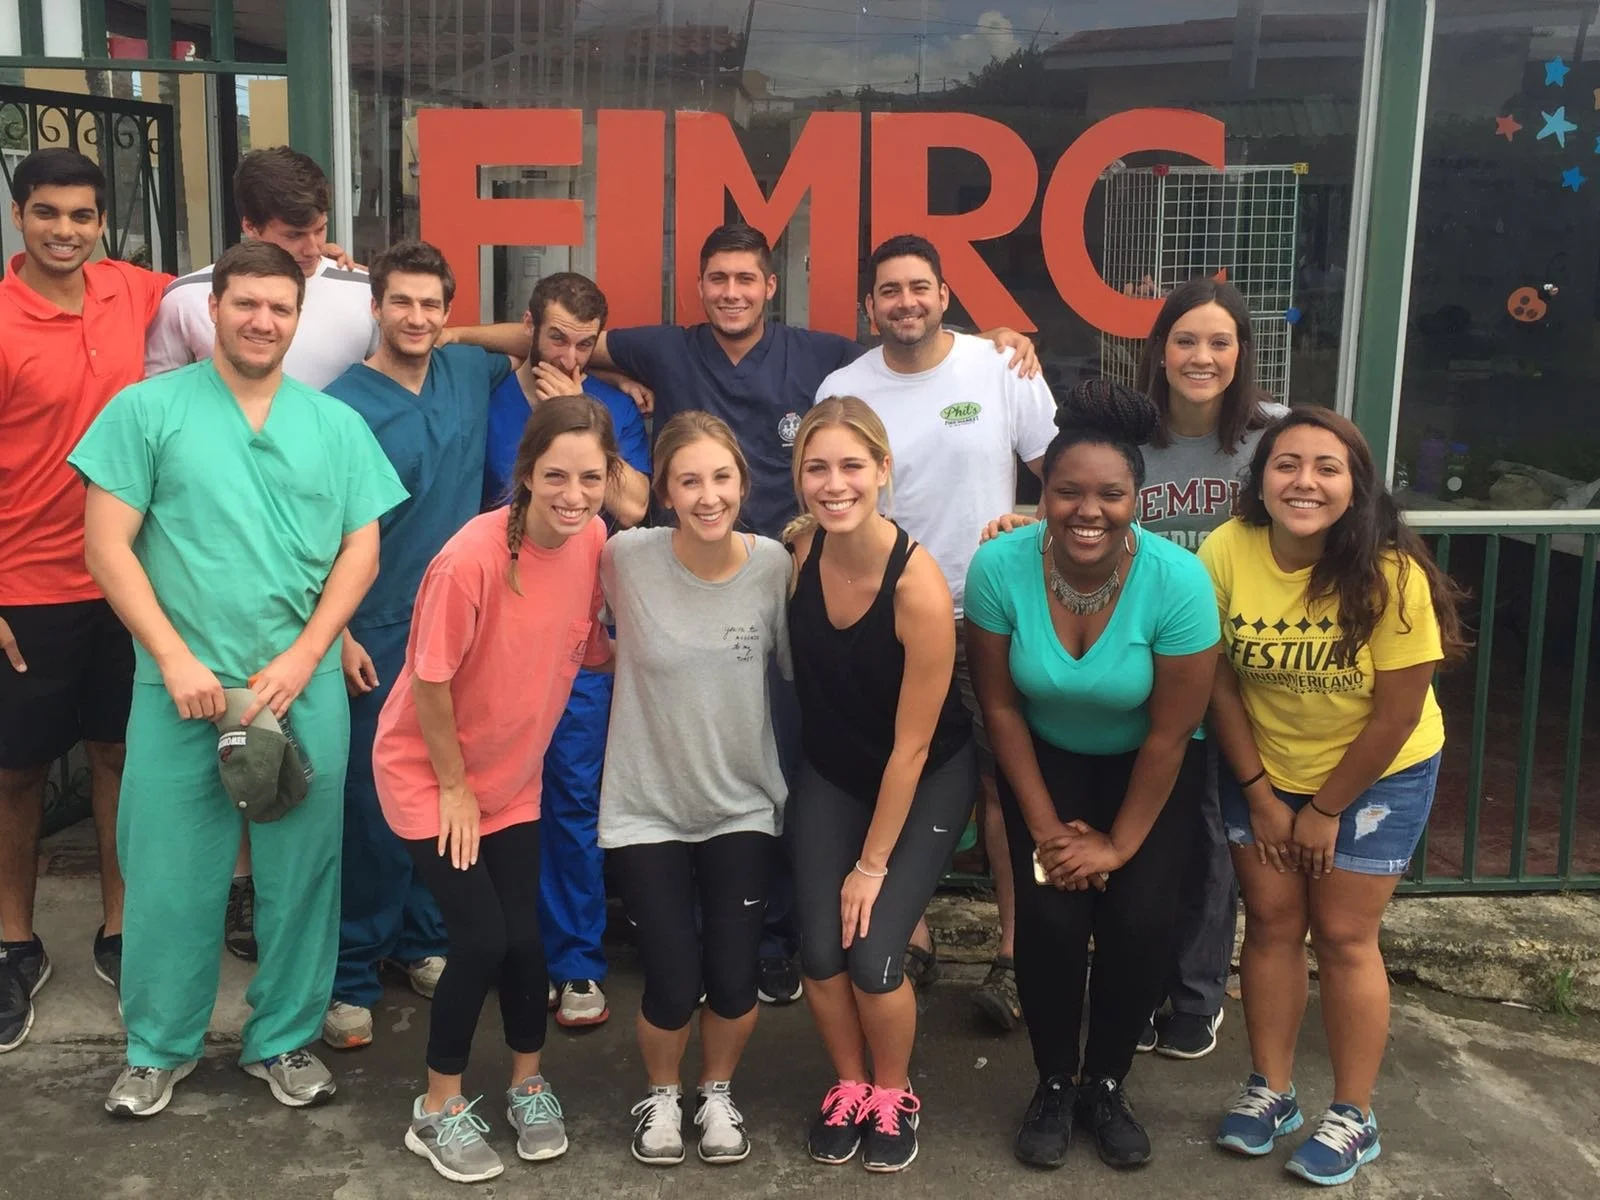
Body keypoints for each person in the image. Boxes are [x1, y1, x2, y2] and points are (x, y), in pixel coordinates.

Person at [455, 222, 1037, 1005]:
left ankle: (780, 935)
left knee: (790, 759)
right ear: (700, 288)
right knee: (704, 758)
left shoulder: (821, 356)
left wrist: (987, 339)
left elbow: (912, 340)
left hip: (790, 580)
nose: (732, 292)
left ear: (770, 288)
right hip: (693, 583)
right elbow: (556, 339)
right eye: (718, 279)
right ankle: (700, 936)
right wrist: (448, 332)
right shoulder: (664, 350)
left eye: (747, 279)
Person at [71, 241, 407, 1118]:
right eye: (246, 303)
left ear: (298, 321)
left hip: (300, 686)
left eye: (280, 308)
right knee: (171, 874)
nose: (263, 321)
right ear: (212, 309)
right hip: (180, 688)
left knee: (303, 874)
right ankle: (157, 1047)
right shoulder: (147, 411)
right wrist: (175, 658)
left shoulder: (333, 425)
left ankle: (284, 1039)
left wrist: (309, 653)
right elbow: (106, 546)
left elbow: (360, 548)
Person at [1200, 407, 1462, 1187]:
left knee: (1344, 935)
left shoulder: (1391, 572)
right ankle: (1271, 1091)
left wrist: (1323, 810)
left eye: (1326, 467)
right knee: (1274, 924)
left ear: (1357, 486)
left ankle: (1353, 1113)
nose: (1304, 481)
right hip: (1266, 765)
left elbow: (1398, 712)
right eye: (1286, 464)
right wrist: (1260, 790)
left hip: (1380, 771)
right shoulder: (1227, 548)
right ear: (1261, 479)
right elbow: (1216, 680)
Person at [964, 380, 1219, 1171]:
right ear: (1042, 490)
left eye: (1111, 494)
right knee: (1048, 922)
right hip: (1045, 759)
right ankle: (1051, 1081)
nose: (1087, 510)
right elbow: (1001, 710)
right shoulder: (999, 567)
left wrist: (1115, 847)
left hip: (1151, 767)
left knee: (1140, 922)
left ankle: (1105, 1083)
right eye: (1067, 490)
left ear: (1137, 498)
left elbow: (1173, 731)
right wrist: (1046, 832)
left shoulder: (1178, 582)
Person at [372, 395, 619, 1184]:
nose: (573, 494)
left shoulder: (593, 542)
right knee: (478, 938)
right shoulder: (469, 559)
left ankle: (526, 1084)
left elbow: (588, 643)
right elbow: (433, 680)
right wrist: (452, 788)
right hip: (431, 775)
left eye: (590, 477)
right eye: (556, 476)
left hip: (513, 778)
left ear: (610, 477)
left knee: (527, 941)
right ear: (525, 474)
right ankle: (437, 1108)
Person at [816, 233, 1057, 1033]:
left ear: (945, 293)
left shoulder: (999, 367)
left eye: (920, 286)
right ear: (869, 305)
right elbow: (831, 489)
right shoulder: (845, 387)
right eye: (889, 290)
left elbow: (1062, 471)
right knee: (890, 771)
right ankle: (906, 938)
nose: (905, 301)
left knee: (1005, 790)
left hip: (988, 614)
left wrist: (1025, 519)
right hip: (886, 617)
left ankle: (1018, 960)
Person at [145, 146, 376, 962]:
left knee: (306, 811)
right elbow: (158, 464)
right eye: (294, 236)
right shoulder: (180, 309)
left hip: (315, 589)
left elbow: (427, 334)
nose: (312, 250)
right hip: (204, 594)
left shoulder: (354, 295)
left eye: (319, 233)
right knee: (192, 823)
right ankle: (175, 1010)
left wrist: (334, 628)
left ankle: (295, 1009)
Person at [318, 240, 524, 1050]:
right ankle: (353, 974)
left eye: (430, 305)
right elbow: (317, 533)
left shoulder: (463, 371)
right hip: (373, 628)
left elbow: (534, 335)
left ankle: (425, 938)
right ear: (374, 307)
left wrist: (461, 335)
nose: (415, 318)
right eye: (400, 302)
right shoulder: (341, 405)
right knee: (373, 809)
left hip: (460, 628)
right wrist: (333, 634)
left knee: (452, 788)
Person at [0, 149, 174, 1051]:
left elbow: (234, 290)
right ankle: (11, 941)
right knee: (16, 773)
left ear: (104, 221)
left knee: (117, 756)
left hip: (128, 580)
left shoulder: (136, 293)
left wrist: (316, 256)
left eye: (80, 214)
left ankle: (119, 927)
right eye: (45, 213)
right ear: (20, 215)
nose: (63, 230)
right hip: (22, 583)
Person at [783, 398, 975, 1173]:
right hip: (834, 770)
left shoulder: (917, 587)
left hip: (921, 774)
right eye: (816, 468)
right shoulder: (799, 551)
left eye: (851, 466)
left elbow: (913, 744)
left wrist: (871, 866)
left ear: (883, 471)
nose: (834, 484)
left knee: (874, 955)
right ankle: (851, 1083)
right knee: (821, 951)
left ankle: (893, 1093)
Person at [599, 412, 791, 1168]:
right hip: (644, 805)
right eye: (689, 481)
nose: (708, 496)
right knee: (673, 978)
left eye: (721, 478)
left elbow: (817, 665)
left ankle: (715, 1092)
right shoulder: (624, 557)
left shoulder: (776, 564)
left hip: (743, 802)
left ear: (743, 483)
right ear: (664, 493)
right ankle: (661, 1094)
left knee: (735, 974)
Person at [483, 272, 651, 1030]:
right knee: (492, 795)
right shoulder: (487, 392)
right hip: (493, 627)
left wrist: (568, 413)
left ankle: (578, 961)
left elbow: (638, 505)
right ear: (529, 329)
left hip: (581, 633)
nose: (572, 355)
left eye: (586, 344)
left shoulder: (613, 405)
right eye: (556, 338)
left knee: (573, 795)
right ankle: (502, 949)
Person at [1131, 277, 1287, 1061]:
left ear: (1241, 354)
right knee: (1150, 828)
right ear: (1160, 351)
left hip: (1243, 675)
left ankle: (1194, 994)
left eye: (1219, 342)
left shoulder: (1274, 438)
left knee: (1212, 834)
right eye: (1186, 340)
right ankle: (1142, 980)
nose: (1201, 356)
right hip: (1145, 670)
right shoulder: (1132, 440)